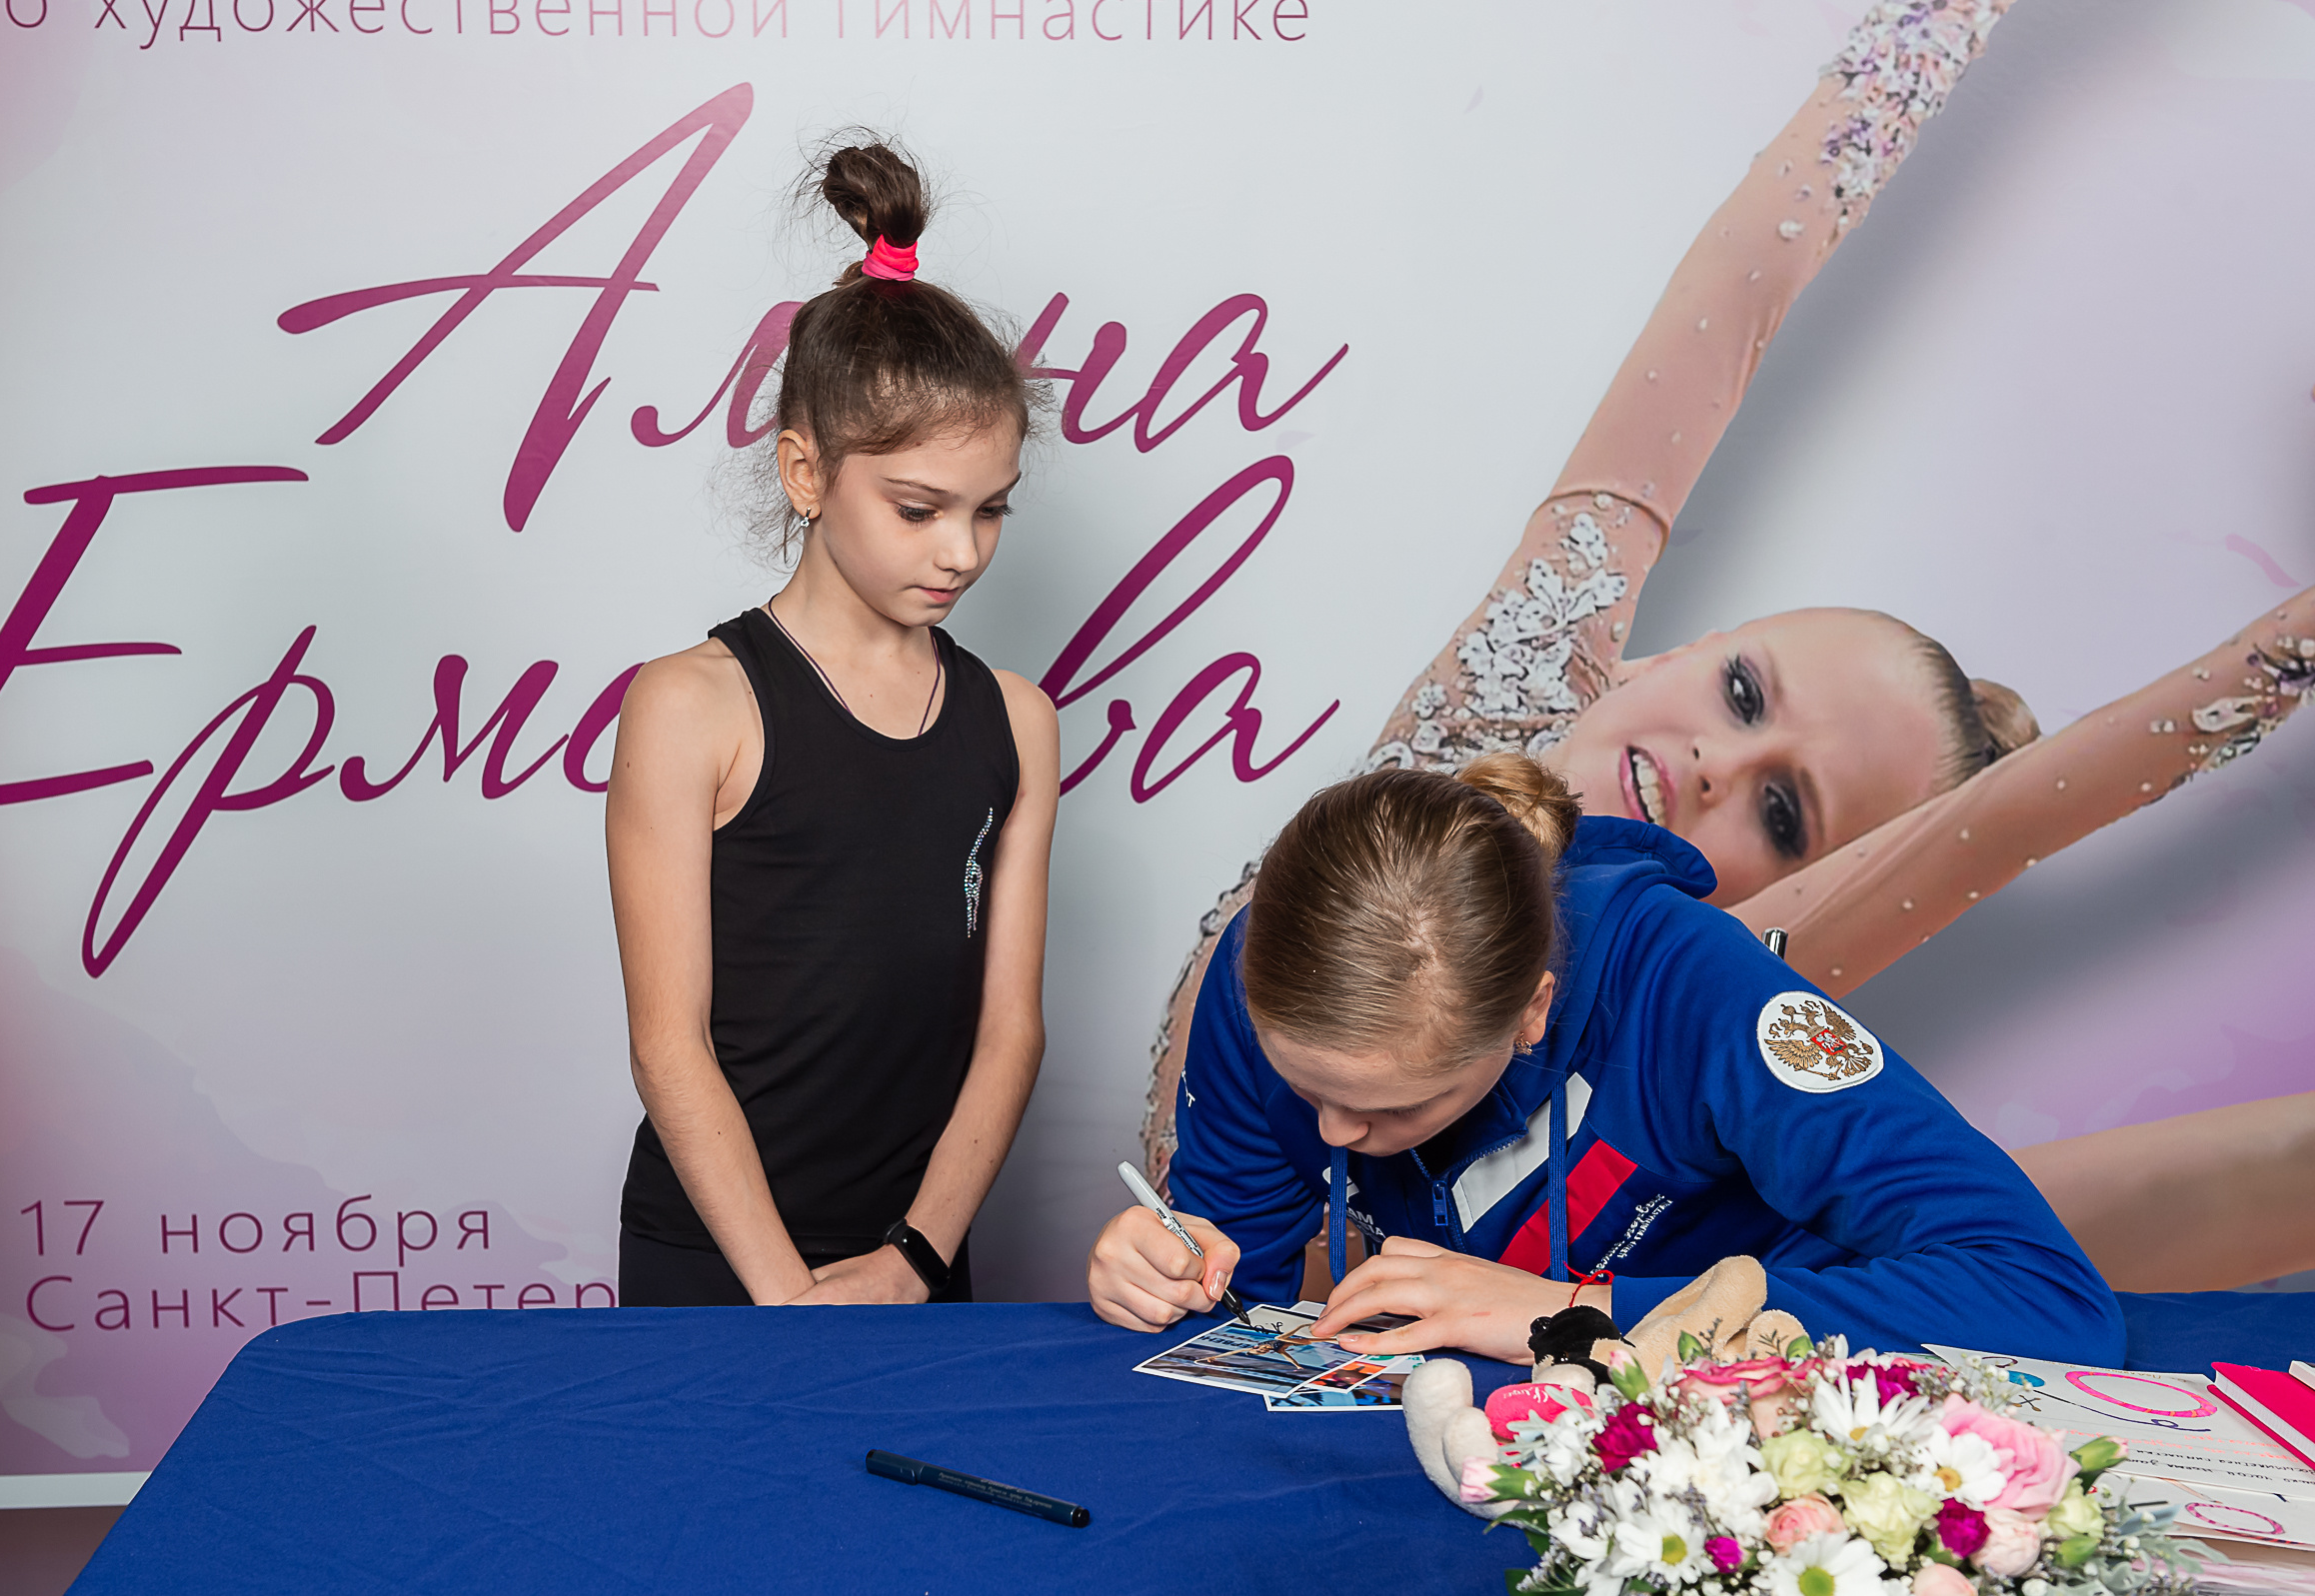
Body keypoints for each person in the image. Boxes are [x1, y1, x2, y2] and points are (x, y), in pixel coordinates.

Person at [1138, 0, 2315, 1256]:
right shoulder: (1517, 680)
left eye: (1782, 813)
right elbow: (1739, 286)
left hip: (1519, 1341)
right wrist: (1945, 17)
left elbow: (2017, 813)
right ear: (1667, 654)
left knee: (2080, 1217)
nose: (1714, 766)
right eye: (1743, 698)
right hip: (1229, 1275)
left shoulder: (1696, 955)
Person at [1088, 754, 2125, 1365]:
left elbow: (2043, 1298)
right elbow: (1245, 1299)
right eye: (1307, 1087)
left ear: (1531, 1011)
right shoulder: (1261, 968)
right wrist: (1172, 1269)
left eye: (1387, 1106)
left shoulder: (1701, 987)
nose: (1330, 1135)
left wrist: (1573, 1317)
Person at [607, 139, 1060, 1307]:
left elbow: (1010, 1033)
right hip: (719, 1261)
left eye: (990, 510)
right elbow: (672, 1044)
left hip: (913, 1258)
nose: (962, 551)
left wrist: (913, 1262)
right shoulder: (691, 705)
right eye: (918, 509)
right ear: (805, 472)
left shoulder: (1015, 720)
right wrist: (786, 1297)